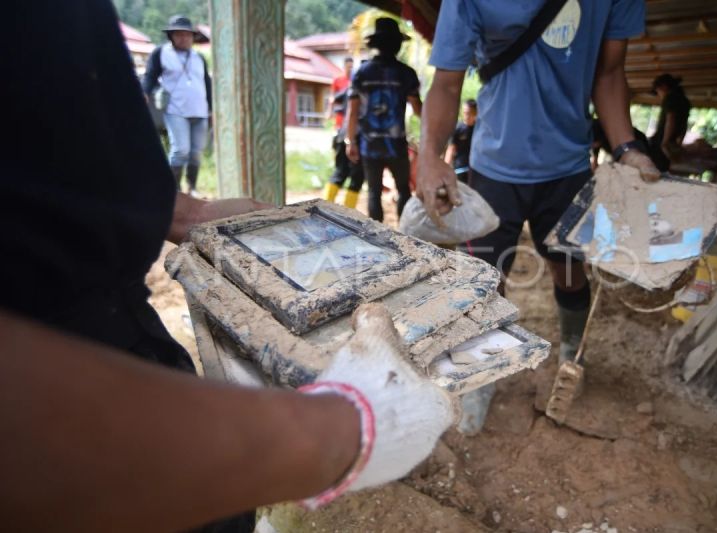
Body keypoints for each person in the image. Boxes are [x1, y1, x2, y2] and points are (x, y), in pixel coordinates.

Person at [0, 2, 453, 532]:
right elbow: (38, 441)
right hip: (70, 363)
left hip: (113, 320)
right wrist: (353, 424)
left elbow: (40, 140)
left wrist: (180, 212)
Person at [416, 0, 660, 433]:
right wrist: (430, 155)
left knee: (569, 271)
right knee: (485, 277)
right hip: (493, 167)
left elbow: (609, 73)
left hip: (568, 168)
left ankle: (572, 350)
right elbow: (448, 84)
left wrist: (627, 148)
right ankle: (480, 371)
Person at [346, 18, 423, 222]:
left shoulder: (361, 73)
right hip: (396, 145)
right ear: (397, 45)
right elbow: (418, 110)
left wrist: (350, 141)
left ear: (375, 44)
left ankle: (377, 236)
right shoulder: (406, 73)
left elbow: (353, 112)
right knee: (404, 189)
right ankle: (405, 232)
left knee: (374, 192)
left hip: (369, 145)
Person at [143, 15, 212, 197]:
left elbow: (206, 83)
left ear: (192, 37)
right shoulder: (161, 53)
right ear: (171, 36)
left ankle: (192, 188)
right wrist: (144, 93)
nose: (183, 38)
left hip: (200, 110)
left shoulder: (199, 57)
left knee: (196, 153)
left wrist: (211, 108)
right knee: (180, 150)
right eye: (179, 34)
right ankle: (173, 190)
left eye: (187, 35)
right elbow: (150, 76)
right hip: (175, 109)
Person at [323, 57, 365, 209]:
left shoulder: (349, 88)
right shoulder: (367, 90)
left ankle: (325, 206)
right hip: (356, 137)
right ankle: (347, 212)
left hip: (342, 135)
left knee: (340, 172)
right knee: (357, 176)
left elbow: (335, 100)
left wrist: (331, 111)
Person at [649, 73, 692, 171]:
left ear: (663, 87)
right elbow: (685, 124)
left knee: (655, 166)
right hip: (673, 140)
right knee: (663, 167)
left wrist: (665, 141)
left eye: (658, 91)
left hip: (663, 138)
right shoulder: (685, 101)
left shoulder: (670, 98)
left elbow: (670, 118)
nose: (659, 94)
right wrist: (679, 141)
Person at [444, 99, 477, 183]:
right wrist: (445, 169)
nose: (466, 116)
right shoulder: (457, 129)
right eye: (464, 112)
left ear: (475, 113)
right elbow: (451, 149)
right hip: (460, 168)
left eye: (469, 113)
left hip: (476, 169)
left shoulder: (480, 129)